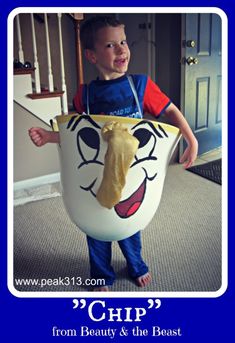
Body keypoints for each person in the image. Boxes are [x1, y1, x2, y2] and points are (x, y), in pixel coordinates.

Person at [29, 15, 198, 291]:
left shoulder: (140, 86)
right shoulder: (84, 96)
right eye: (110, 45)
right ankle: (100, 275)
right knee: (96, 227)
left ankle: (136, 265)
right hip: (99, 175)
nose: (121, 49)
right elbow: (75, 134)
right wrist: (50, 136)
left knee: (130, 225)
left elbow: (170, 110)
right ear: (91, 55)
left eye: (123, 41)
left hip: (131, 175)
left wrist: (190, 139)